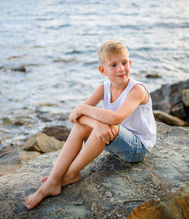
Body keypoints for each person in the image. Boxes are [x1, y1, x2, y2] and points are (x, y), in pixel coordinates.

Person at [25, 40, 156, 210]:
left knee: (107, 125)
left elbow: (115, 117)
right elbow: (76, 118)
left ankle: (70, 173)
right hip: (112, 139)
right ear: (103, 70)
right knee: (87, 126)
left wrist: (83, 109)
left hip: (137, 148)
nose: (121, 69)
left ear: (130, 63)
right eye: (114, 65)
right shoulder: (104, 88)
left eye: (124, 63)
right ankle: (54, 179)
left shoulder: (137, 90)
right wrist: (94, 122)